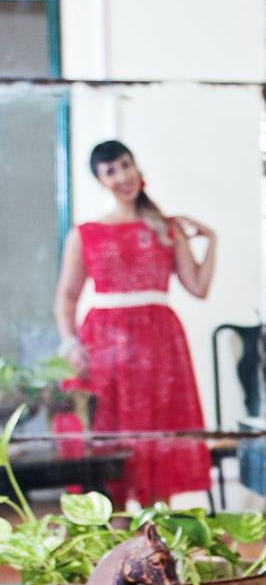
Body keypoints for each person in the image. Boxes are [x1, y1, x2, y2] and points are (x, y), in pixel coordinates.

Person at [52, 140, 215, 508]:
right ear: (100, 180)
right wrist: (69, 343)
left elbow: (198, 287)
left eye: (126, 165)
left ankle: (156, 532)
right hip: (105, 343)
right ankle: (115, 527)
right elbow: (67, 295)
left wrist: (212, 241)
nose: (122, 175)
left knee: (158, 429)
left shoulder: (166, 229)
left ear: (137, 168)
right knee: (111, 432)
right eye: (111, 171)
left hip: (159, 342)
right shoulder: (85, 234)